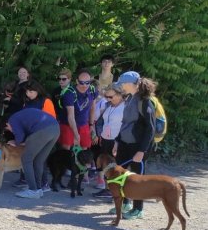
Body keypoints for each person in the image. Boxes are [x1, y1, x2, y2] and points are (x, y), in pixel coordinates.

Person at [109, 71, 158, 220]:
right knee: (121, 176)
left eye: (123, 84)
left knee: (138, 179)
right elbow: (125, 123)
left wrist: (141, 151)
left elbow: (151, 129)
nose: (121, 87)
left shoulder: (145, 101)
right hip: (124, 144)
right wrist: (117, 141)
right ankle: (125, 204)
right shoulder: (129, 98)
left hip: (137, 147)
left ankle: (138, 209)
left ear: (131, 84)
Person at [5, 107, 60, 198]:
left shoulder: (12, 120)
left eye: (8, 128)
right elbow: (27, 137)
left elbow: (20, 136)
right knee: (38, 160)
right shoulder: (22, 116)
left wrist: (15, 142)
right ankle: (38, 189)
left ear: (7, 124)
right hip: (55, 128)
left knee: (26, 158)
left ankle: (32, 190)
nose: (11, 130)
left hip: (43, 130)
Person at [91, 84, 126, 198]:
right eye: (107, 96)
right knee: (106, 165)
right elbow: (101, 121)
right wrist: (99, 134)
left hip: (118, 141)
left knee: (117, 166)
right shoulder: (107, 105)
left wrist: (118, 141)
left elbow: (127, 126)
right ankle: (107, 189)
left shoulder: (126, 107)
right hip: (106, 139)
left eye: (111, 97)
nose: (108, 99)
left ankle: (118, 191)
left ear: (120, 95)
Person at [56, 69, 97, 150]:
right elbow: (70, 116)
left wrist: (91, 125)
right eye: (81, 82)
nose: (84, 85)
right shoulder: (69, 93)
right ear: (77, 81)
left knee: (84, 149)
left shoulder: (92, 90)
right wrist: (76, 135)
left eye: (87, 82)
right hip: (68, 125)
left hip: (84, 124)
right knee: (66, 150)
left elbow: (92, 108)